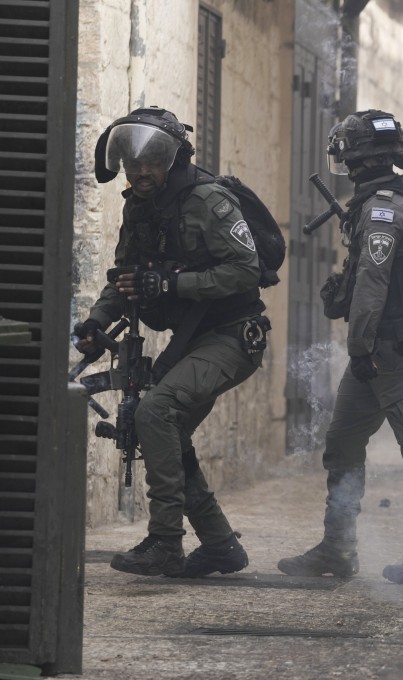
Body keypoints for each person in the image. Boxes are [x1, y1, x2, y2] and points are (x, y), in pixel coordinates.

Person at [74, 106, 269, 577]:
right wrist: (96, 323)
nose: (141, 171)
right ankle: (220, 546)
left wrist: (171, 284)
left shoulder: (209, 200)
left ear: (172, 159)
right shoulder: (140, 206)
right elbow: (125, 278)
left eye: (151, 161)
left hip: (232, 334)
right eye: (132, 162)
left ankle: (165, 541)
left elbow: (247, 270)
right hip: (190, 339)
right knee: (167, 431)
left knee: (155, 414)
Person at [278, 110, 403, 586]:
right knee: (342, 443)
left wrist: (359, 347)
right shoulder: (381, 202)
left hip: (394, 351)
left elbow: (373, 283)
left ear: (359, 159)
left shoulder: (384, 208)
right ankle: (337, 548)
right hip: (378, 351)